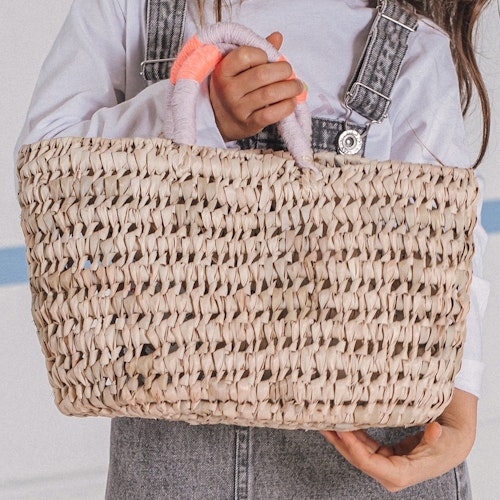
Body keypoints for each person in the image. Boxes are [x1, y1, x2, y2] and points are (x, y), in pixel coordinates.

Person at [16, 0, 491, 498]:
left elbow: (446, 239)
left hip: (367, 440)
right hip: (170, 430)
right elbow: (50, 162)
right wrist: (199, 109)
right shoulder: (129, 8)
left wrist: (458, 419)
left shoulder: (412, 42)